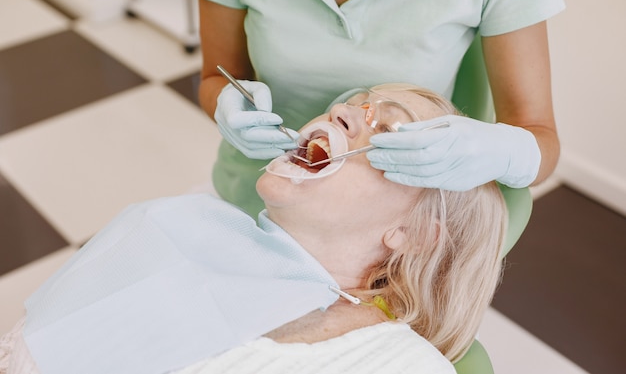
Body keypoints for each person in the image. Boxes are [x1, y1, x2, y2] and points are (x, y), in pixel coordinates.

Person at [0, 84, 507, 374]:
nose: (344, 111)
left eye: (392, 129)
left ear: (415, 234)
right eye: (356, 102)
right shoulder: (180, 227)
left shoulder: (395, 364)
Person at [177, 0, 565, 217]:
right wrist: (226, 104)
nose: (338, 109)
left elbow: (539, 138)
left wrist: (501, 151)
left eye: (378, 119)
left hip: (394, 223)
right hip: (250, 199)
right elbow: (218, 78)